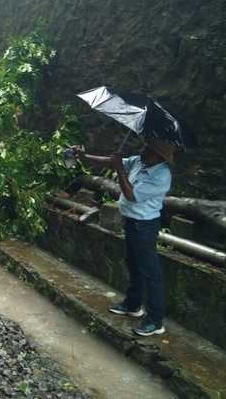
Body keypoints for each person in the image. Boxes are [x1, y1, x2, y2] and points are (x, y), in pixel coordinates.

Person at [73, 138, 177, 336]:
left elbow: (131, 195)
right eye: (146, 147)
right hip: (132, 222)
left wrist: (120, 169)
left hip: (145, 226)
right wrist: (85, 157)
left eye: (148, 149)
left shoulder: (162, 176)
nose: (143, 150)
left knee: (150, 272)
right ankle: (133, 304)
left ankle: (155, 320)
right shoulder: (141, 161)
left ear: (159, 156)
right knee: (133, 264)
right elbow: (111, 161)